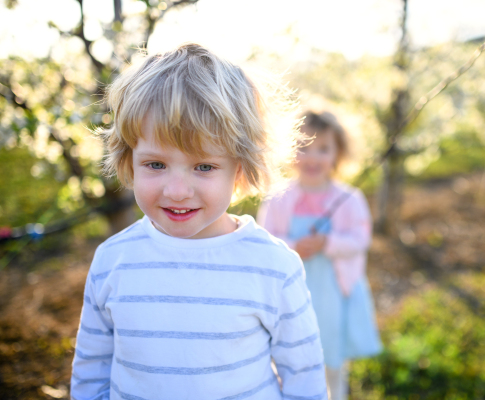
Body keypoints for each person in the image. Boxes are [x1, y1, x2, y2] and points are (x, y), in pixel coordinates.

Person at [70, 44, 327, 400]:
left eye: (203, 166)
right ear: (130, 161)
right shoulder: (112, 261)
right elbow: (91, 372)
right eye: (156, 165)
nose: (176, 191)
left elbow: (304, 379)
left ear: (239, 170)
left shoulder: (273, 267)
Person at [258, 111, 382, 400]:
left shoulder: (348, 198)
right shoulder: (278, 199)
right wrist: (292, 246)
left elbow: (360, 238)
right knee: (289, 357)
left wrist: (329, 242)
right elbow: (265, 240)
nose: (312, 158)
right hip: (292, 290)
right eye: (303, 147)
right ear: (288, 149)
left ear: (338, 153)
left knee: (331, 357)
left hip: (332, 291)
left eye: (323, 149)